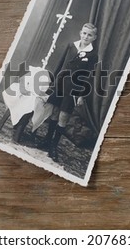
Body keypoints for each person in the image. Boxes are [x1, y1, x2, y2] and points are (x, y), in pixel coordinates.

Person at [43, 23, 98, 162]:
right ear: (80, 33)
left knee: (63, 116)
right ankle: (47, 140)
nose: (86, 36)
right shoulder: (71, 46)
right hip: (60, 84)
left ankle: (53, 147)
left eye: (89, 35)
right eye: (84, 33)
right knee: (54, 112)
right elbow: (61, 64)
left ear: (94, 38)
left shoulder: (93, 55)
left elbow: (89, 77)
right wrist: (52, 83)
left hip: (74, 89)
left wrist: (82, 95)